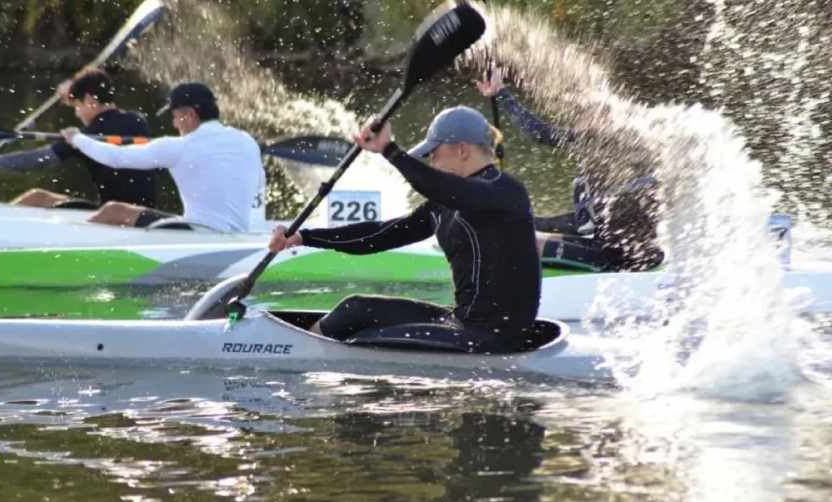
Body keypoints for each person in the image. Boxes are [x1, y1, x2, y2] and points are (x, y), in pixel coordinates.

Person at [269, 107, 542, 353]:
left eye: (433, 154)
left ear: (462, 150)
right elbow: (381, 235)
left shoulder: (505, 192)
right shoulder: (444, 203)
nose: (431, 162)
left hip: (494, 337)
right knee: (355, 309)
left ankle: (308, 362)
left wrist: (390, 150)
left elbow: (440, 186)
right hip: (462, 323)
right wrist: (306, 237)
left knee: (365, 339)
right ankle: (302, 353)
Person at [476, 70, 663, 271]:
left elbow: (539, 133)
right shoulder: (604, 151)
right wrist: (525, 220)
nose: (577, 119)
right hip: (612, 249)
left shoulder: (606, 143)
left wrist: (502, 93)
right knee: (524, 233)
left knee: (524, 242)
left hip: (625, 261)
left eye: (585, 113)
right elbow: (582, 224)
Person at [62, 82, 265, 231]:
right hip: (239, 234)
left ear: (190, 115)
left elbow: (116, 157)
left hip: (201, 233)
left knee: (113, 210)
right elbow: (258, 190)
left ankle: (74, 246)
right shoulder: (247, 141)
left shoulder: (178, 147)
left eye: (176, 117)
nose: (175, 124)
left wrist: (77, 139)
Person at [0, 67, 157, 209]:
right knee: (39, 197)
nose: (77, 114)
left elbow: (38, 160)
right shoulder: (138, 121)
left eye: (77, 107)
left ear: (90, 100)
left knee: (35, 198)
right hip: (143, 211)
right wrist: (74, 89)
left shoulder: (84, 139)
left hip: (114, 217)